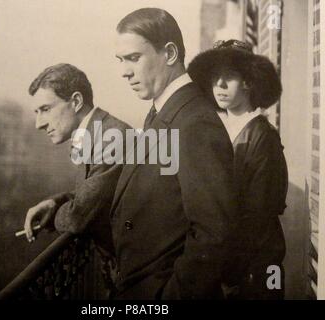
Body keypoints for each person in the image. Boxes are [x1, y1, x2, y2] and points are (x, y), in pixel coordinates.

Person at [111, 8, 238, 299]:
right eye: (120, 60)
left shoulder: (194, 122)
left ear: (169, 53)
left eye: (133, 58)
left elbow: (213, 235)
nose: (124, 71)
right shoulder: (165, 112)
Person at [187, 39, 288, 299]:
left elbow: (258, 214)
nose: (219, 85)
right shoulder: (219, 129)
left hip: (255, 263)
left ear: (248, 82)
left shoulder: (261, 136)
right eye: (215, 77)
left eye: (229, 77)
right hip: (224, 259)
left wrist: (230, 269)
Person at [23, 63, 130, 264]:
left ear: (76, 101)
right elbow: (98, 193)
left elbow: (77, 218)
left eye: (45, 109)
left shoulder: (110, 138)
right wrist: (55, 202)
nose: (39, 124)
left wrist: (55, 212)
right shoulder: (99, 131)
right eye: (36, 112)